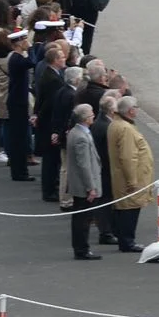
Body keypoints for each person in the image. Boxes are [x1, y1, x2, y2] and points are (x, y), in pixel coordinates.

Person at [105, 95, 154, 251]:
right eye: (136, 108)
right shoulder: (125, 128)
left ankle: (124, 239)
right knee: (129, 210)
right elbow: (128, 157)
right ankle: (127, 242)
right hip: (129, 179)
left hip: (121, 177)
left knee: (124, 209)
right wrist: (132, 181)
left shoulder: (117, 124)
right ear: (131, 111)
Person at [63, 103, 104, 260]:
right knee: (83, 219)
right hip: (83, 186)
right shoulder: (81, 137)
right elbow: (84, 165)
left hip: (78, 184)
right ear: (86, 118)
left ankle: (81, 248)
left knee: (81, 218)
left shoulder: (76, 132)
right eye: (91, 114)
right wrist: (90, 187)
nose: (93, 115)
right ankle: (82, 249)